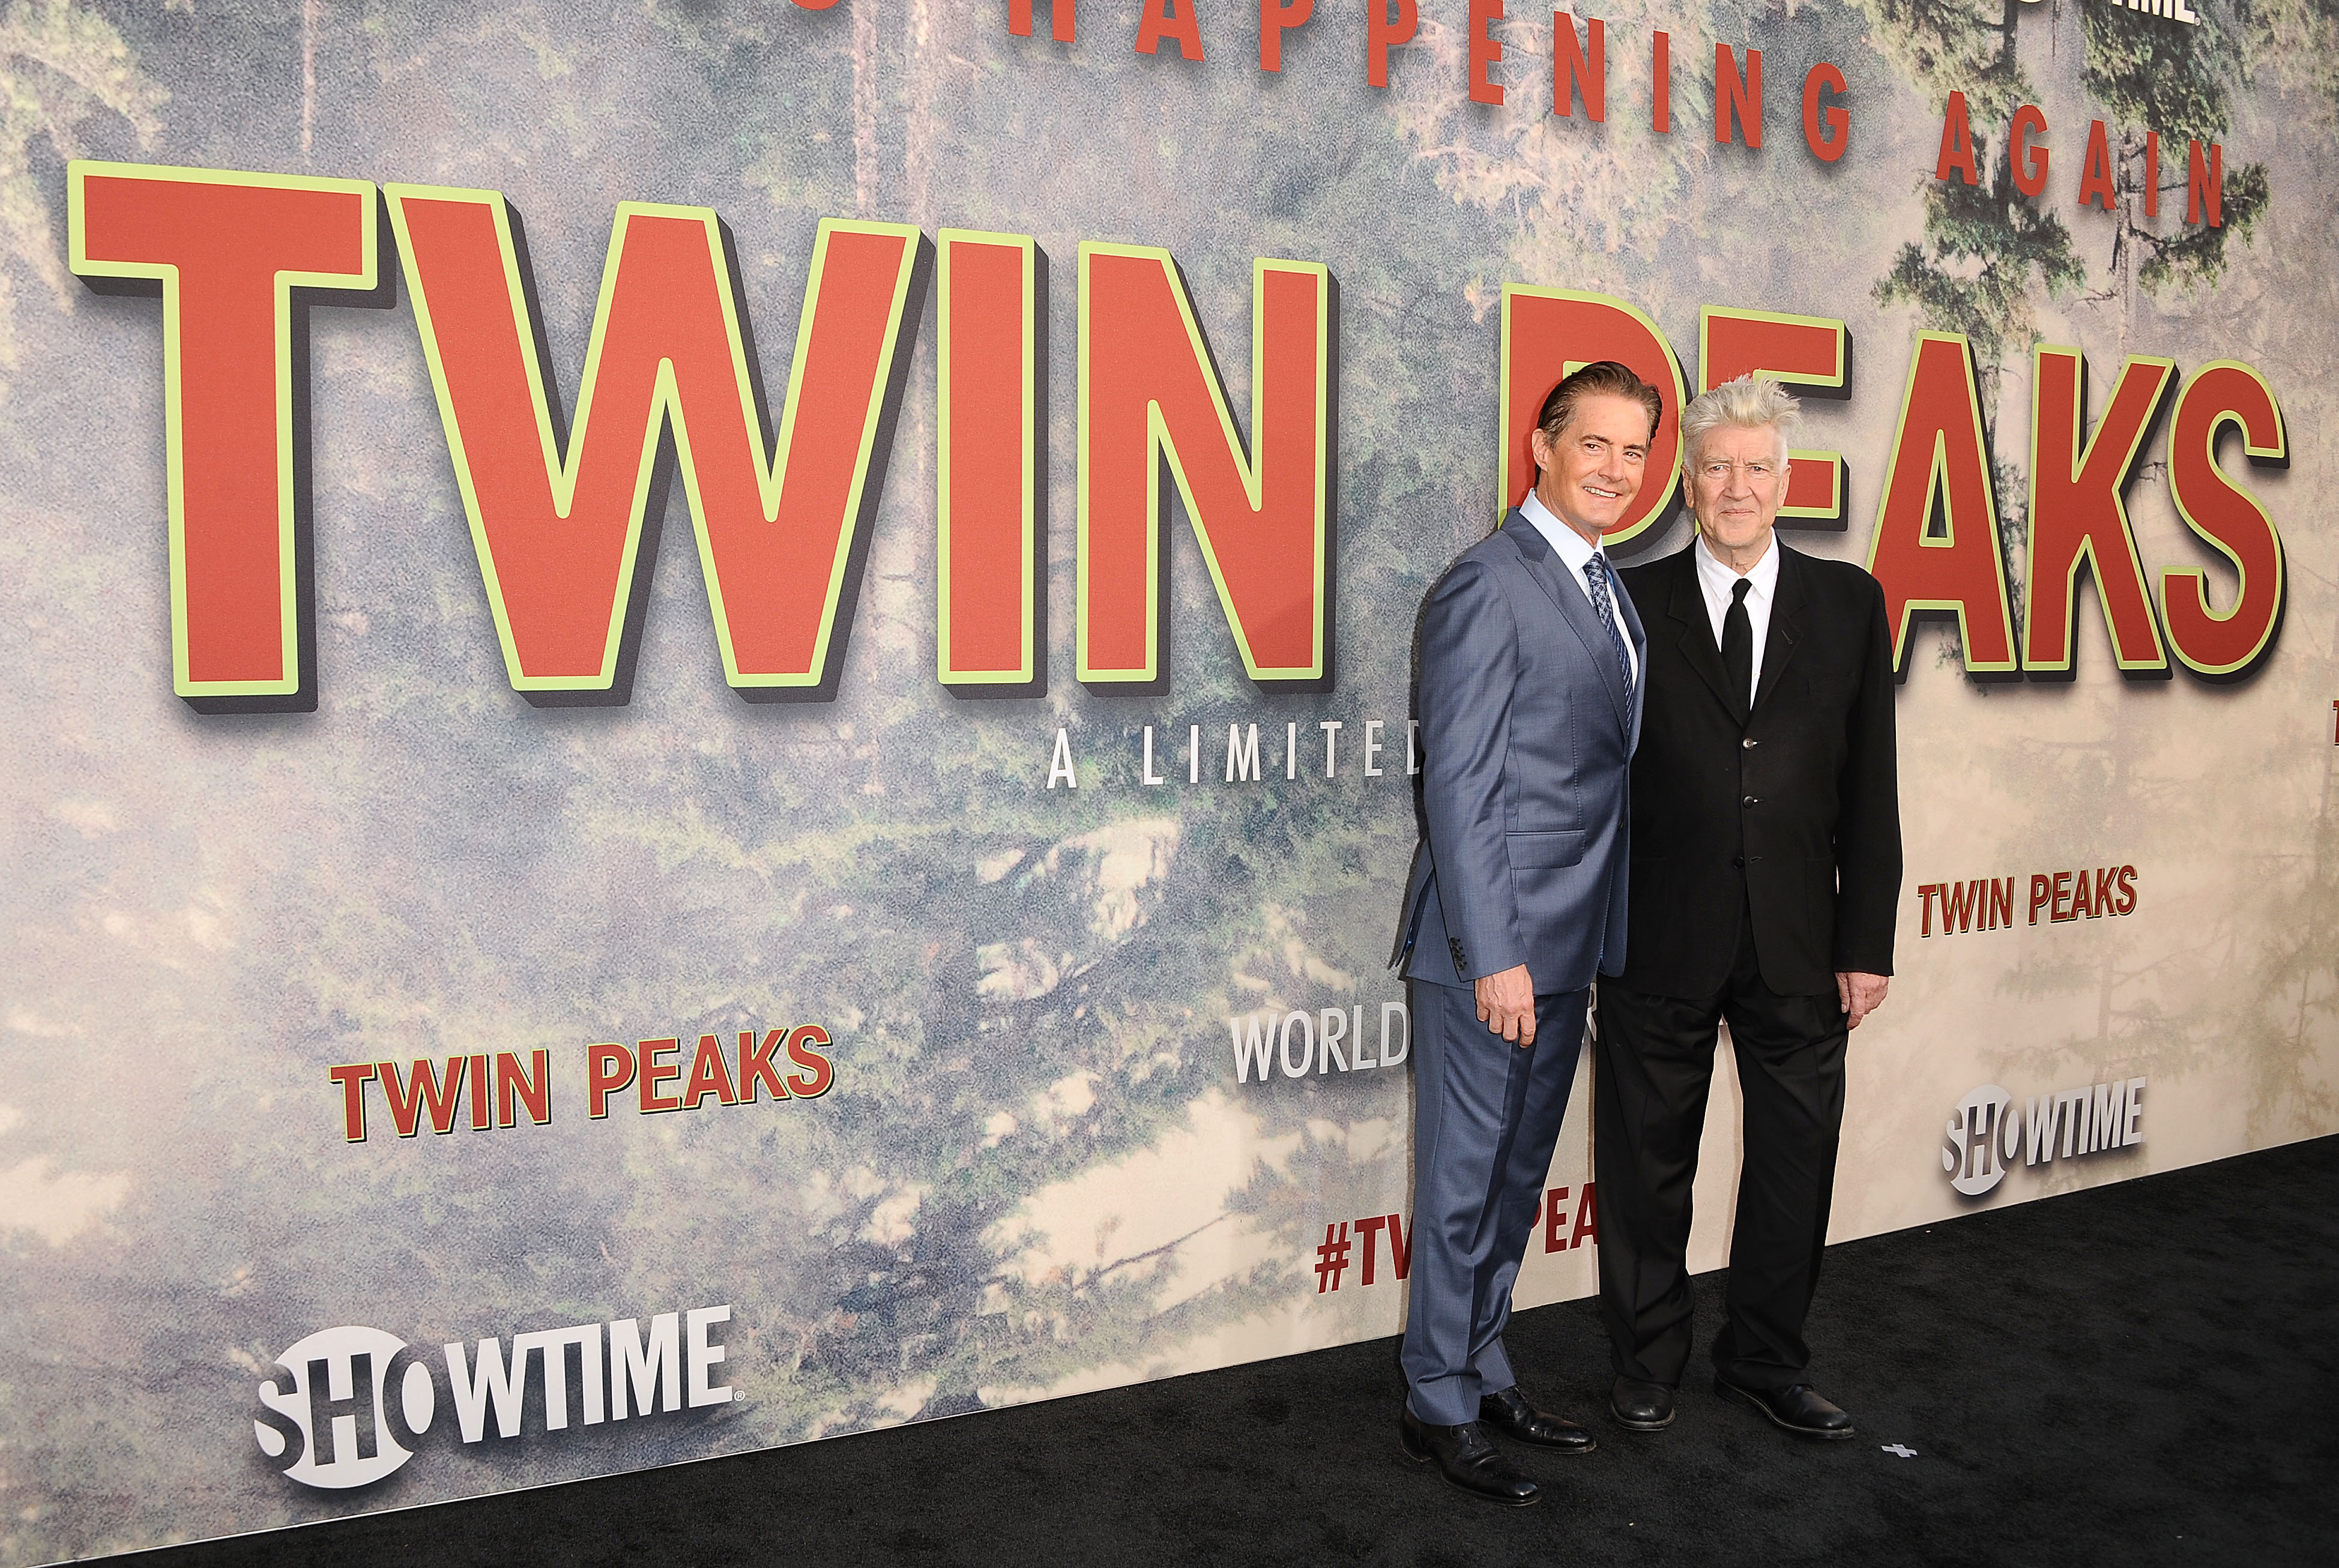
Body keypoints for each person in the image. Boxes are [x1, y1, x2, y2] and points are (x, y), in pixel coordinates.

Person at [1596, 374, 1901, 1440]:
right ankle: (1647, 1359)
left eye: (1757, 468)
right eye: (1717, 466)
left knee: (1794, 1164)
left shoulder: (1851, 603)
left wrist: (1866, 943)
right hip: (1657, 933)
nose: (1737, 487)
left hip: (1802, 943)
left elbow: (1872, 788)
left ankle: (1766, 1360)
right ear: (1687, 481)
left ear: (1789, 480)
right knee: (1643, 1164)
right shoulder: (1630, 602)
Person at [1390, 360, 1655, 1504]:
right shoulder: (1485, 585)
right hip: (1487, 953)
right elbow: (1457, 786)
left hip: (1567, 945)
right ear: (1542, 447)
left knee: (1512, 1181)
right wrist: (1493, 953)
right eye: (1593, 445)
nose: (1616, 470)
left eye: (1636, 452)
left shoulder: (1608, 584)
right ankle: (1434, 1399)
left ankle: (1485, 1361)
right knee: (1462, 1181)